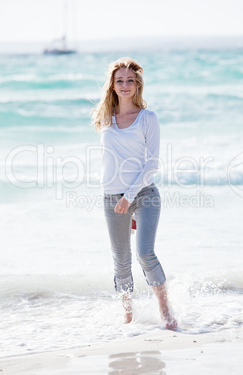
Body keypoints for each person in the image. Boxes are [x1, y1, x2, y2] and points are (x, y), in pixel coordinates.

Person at [93, 57, 177, 330]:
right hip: (111, 198)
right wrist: (114, 194)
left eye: (130, 80)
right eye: (120, 81)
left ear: (137, 84)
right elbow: (109, 158)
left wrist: (129, 196)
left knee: (144, 252)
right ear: (113, 85)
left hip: (143, 194)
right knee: (120, 259)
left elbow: (151, 163)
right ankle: (128, 317)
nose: (125, 85)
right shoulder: (105, 117)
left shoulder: (147, 118)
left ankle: (165, 309)